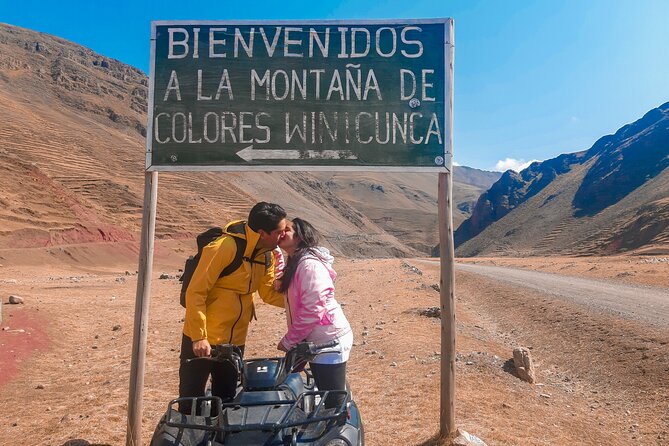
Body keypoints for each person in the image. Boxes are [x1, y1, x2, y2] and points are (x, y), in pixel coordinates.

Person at [179, 202, 287, 412]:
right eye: (279, 232)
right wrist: (199, 336)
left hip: (235, 341)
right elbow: (196, 291)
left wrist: (303, 303)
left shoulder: (266, 255)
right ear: (263, 233)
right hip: (203, 339)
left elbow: (267, 293)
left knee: (227, 398)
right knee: (191, 399)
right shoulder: (224, 247)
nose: (282, 236)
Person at [276, 218, 353, 409]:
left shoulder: (309, 266)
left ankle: (339, 433)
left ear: (300, 236)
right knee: (322, 387)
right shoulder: (295, 262)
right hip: (314, 341)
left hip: (328, 342)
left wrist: (289, 341)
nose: (282, 233)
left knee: (333, 400)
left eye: (287, 230)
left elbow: (313, 310)